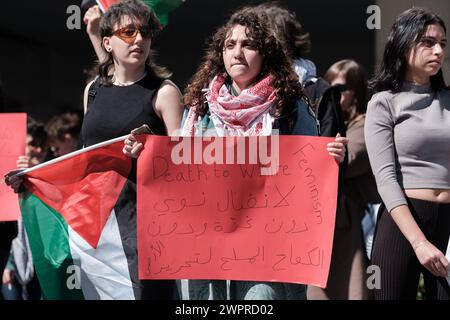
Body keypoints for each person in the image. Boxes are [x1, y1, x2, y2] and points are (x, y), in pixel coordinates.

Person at [128, 7, 344, 300]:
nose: (237, 53)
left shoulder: (289, 107)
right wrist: (149, 153)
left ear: (265, 53)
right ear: (221, 54)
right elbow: (180, 167)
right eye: (230, 45)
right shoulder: (200, 108)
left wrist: (330, 157)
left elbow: (309, 175)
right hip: (206, 245)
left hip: (268, 246)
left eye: (248, 45)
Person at [81, 0, 183, 299]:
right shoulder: (94, 89)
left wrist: (152, 153)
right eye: (128, 32)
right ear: (107, 42)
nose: (139, 39)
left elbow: (186, 162)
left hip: (147, 227)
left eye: (145, 33)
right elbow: (84, 155)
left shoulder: (164, 92)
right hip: (99, 225)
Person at [365, 7, 450, 300]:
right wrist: (419, 243)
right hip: (402, 223)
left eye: (442, 43)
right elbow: (386, 179)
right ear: (403, 45)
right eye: (428, 42)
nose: (438, 50)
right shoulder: (384, 103)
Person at [305, 59, 379, 299]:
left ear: (355, 92)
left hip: (347, 224)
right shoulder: (319, 121)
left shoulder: (366, 125)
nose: (331, 94)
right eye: (328, 87)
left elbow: (347, 160)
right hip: (318, 223)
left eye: (338, 89)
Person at [2, 117, 47, 300]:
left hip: (43, 256)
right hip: (15, 256)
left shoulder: (53, 171)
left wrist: (37, 172)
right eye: (32, 144)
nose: (38, 150)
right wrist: (10, 264)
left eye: (42, 145)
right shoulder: (7, 176)